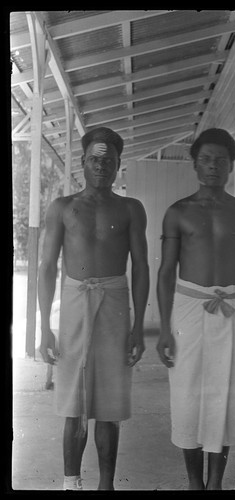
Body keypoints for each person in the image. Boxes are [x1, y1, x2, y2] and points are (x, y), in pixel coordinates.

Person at [38, 126, 149, 491]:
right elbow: (47, 268)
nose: (102, 166)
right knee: (73, 402)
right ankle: (71, 483)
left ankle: (106, 485)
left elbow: (142, 267)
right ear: (82, 163)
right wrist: (44, 328)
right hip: (74, 306)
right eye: (95, 160)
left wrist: (137, 329)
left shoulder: (130, 208)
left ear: (119, 166)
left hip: (115, 308)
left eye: (109, 161)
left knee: (110, 405)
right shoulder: (63, 208)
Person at [156, 128, 235, 490]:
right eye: (205, 159)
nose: (213, 166)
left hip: (232, 309)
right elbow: (166, 272)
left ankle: (215, 483)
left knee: (227, 396)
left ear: (231, 165)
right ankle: (194, 483)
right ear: (195, 164)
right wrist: (165, 329)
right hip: (188, 311)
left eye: (220, 160)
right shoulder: (178, 212)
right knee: (187, 396)